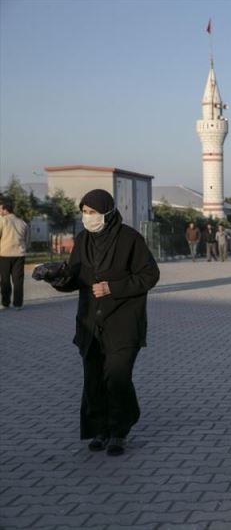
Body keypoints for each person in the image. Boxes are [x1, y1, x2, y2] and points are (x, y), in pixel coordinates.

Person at [41, 189, 160, 456]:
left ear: (107, 212)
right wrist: (54, 277)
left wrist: (112, 288)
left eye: (92, 212)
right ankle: (100, 429)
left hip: (123, 322)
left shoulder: (130, 239)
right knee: (93, 379)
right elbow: (74, 279)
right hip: (90, 324)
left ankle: (119, 431)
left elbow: (150, 275)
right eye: (84, 212)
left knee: (117, 376)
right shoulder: (83, 240)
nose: (88, 217)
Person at [0, 200, 30, 311]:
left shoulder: (2, 220)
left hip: (4, 254)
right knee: (18, 280)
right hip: (19, 254)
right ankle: (18, 304)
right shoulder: (22, 222)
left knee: (5, 279)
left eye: (0, 209)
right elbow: (27, 239)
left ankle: (5, 303)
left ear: (5, 210)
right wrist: (24, 249)